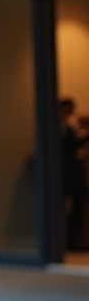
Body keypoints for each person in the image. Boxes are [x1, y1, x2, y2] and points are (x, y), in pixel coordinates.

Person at [59, 98, 89, 252]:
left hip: (70, 174)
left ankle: (72, 241)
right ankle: (71, 242)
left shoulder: (66, 126)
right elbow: (70, 146)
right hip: (69, 174)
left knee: (74, 208)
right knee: (73, 208)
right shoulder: (61, 126)